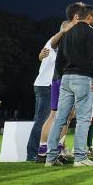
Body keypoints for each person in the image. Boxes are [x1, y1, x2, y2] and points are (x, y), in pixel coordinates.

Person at [45, 5, 93, 167]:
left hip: (66, 78)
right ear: (89, 17)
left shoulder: (68, 31)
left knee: (59, 119)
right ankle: (80, 157)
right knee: (84, 119)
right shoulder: (90, 31)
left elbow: (59, 58)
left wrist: (63, 76)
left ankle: (50, 158)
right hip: (82, 78)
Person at [27, 19, 69, 162]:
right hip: (46, 85)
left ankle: (54, 150)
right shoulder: (55, 40)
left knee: (52, 119)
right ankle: (33, 153)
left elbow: (43, 57)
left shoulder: (58, 43)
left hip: (47, 84)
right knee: (43, 120)